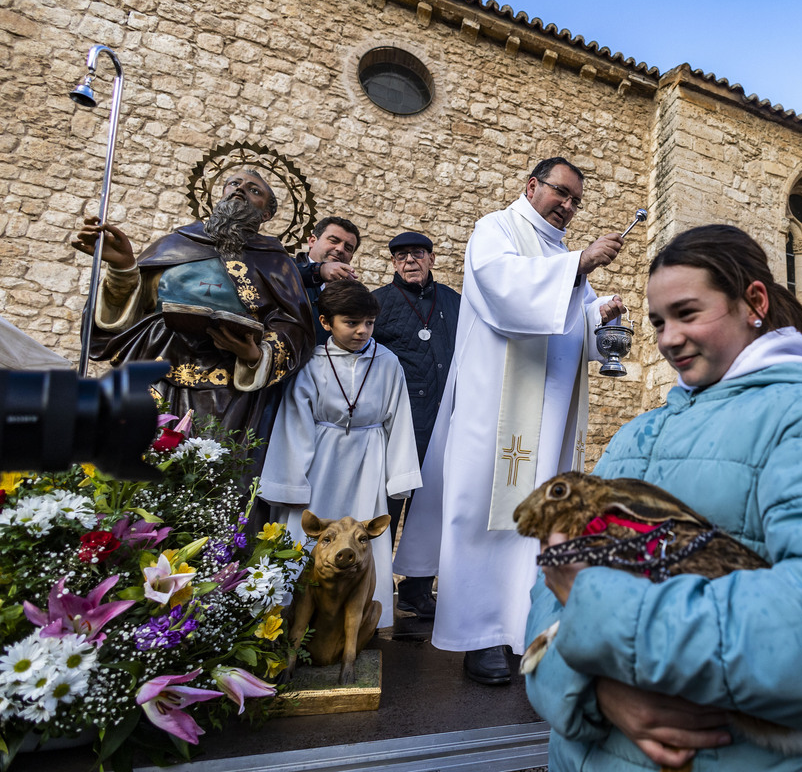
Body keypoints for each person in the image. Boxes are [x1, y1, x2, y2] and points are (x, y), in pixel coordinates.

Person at [523, 224, 802, 771]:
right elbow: (549, 586)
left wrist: (599, 606)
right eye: (659, 322)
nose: (667, 339)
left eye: (687, 313)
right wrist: (594, 695)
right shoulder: (635, 435)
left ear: (753, 302)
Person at [394, 157, 626, 685]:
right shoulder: (496, 228)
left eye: (575, 201)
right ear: (532, 186)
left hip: (550, 415)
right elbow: (504, 290)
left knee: (539, 521)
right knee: (486, 510)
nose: (566, 205)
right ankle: (478, 634)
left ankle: (524, 628)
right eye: (560, 193)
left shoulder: (561, 256)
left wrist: (597, 315)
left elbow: (576, 331)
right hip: (498, 410)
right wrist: (579, 265)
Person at [72, 168, 314, 438]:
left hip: (225, 386)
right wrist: (123, 268)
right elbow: (132, 308)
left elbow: (295, 327)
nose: (240, 189)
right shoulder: (175, 243)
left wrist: (256, 355)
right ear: (220, 195)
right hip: (156, 362)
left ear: (266, 214)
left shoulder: (277, 263)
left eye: (254, 190)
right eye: (234, 183)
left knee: (205, 468)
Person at [258, 280, 422, 632]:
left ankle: (359, 623)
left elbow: (399, 419)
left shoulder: (388, 362)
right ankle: (293, 621)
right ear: (325, 321)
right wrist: (291, 482)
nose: (363, 331)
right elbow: (294, 424)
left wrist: (400, 476)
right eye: (351, 322)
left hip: (369, 458)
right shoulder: (312, 364)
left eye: (369, 323)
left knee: (361, 533)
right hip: (321, 458)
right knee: (310, 534)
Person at [372, 231, 461, 619]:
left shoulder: (455, 302)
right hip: (397, 422)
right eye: (402, 255)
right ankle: (374, 587)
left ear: (431, 258)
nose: (410, 261)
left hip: (445, 420)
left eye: (418, 254)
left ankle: (417, 588)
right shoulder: (378, 303)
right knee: (389, 502)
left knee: (433, 505)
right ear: (393, 263)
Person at [295, 216, 361, 343]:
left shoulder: (349, 291)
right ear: (312, 241)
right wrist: (319, 271)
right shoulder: (285, 268)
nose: (340, 249)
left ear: (351, 258)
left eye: (348, 248)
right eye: (333, 241)